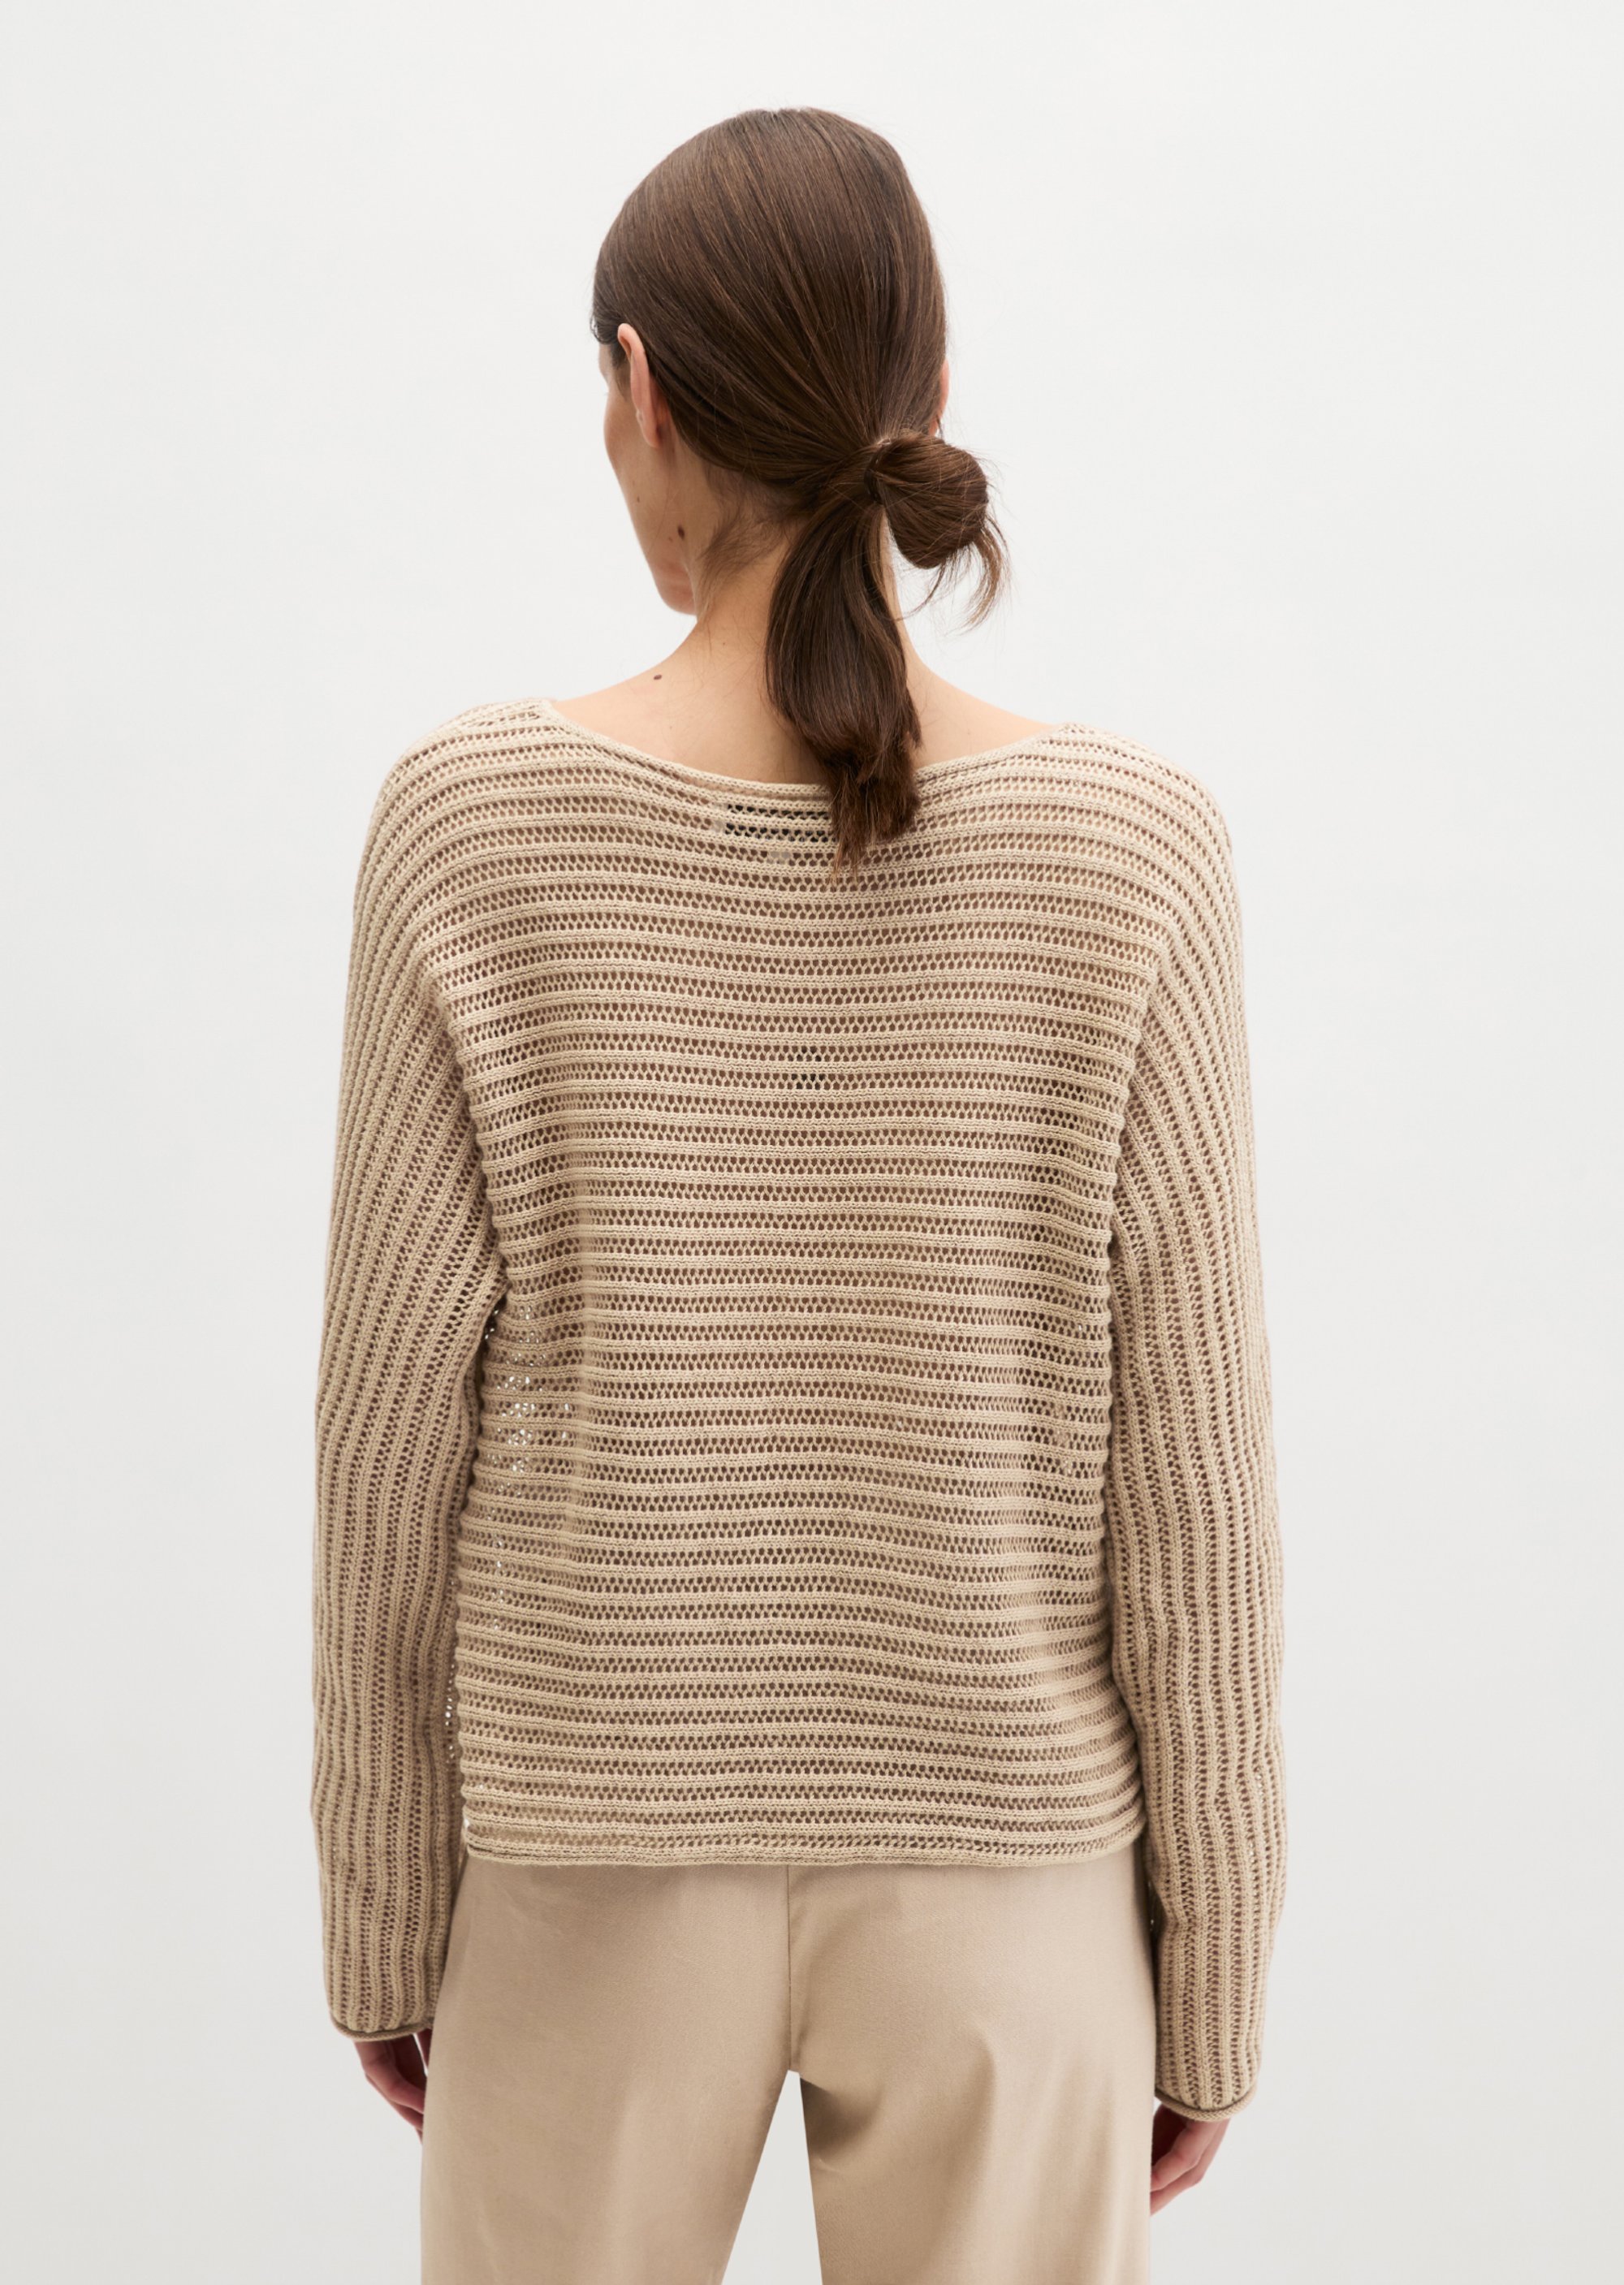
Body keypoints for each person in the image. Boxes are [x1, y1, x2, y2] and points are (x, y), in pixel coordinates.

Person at [309, 105, 1286, 2285]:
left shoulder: (468, 825)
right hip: (1010, 1877)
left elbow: (388, 1443)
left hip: (585, 1858)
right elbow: (1194, 1478)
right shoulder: (1136, 849)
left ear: (639, 393)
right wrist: (1212, 1964)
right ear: (926, 395)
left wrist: (381, 1916)